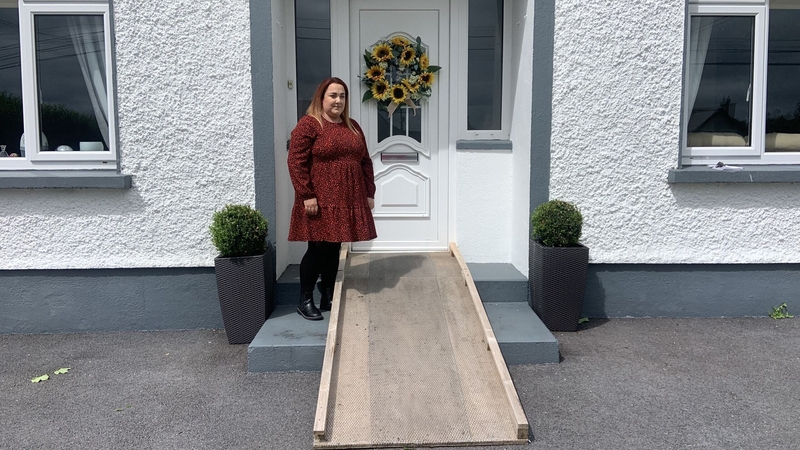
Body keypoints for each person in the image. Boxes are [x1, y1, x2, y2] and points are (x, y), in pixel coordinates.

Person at [288, 77, 377, 320]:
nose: (338, 100)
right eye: (333, 95)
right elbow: (296, 162)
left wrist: (370, 192)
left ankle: (327, 293)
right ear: (322, 98)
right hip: (319, 199)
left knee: (335, 247)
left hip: (347, 199)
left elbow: (365, 161)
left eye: (343, 96)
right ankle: (304, 299)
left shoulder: (353, 126)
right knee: (317, 249)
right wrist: (307, 194)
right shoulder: (310, 125)